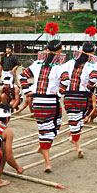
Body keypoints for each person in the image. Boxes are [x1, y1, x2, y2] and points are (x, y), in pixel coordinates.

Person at [19, 23, 70, 172]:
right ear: (60, 51)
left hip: (38, 102)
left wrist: (27, 91)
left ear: (47, 49)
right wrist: (59, 93)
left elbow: (23, 76)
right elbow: (66, 80)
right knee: (50, 129)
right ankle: (47, 162)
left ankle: (43, 147)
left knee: (45, 129)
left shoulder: (37, 63)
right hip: (50, 101)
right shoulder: (60, 66)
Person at [62, 42, 97, 158]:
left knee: (76, 120)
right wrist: (87, 88)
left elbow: (61, 72)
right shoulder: (90, 66)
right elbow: (93, 79)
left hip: (69, 96)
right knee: (79, 121)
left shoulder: (70, 63)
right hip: (81, 96)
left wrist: (64, 86)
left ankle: (73, 136)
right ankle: (77, 147)